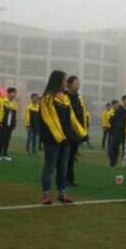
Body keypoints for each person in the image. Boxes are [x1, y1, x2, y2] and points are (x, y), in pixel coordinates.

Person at [39, 70, 87, 205]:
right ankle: (46, 195)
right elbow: (50, 120)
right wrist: (60, 137)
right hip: (52, 139)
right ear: (57, 81)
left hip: (66, 139)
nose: (66, 83)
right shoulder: (47, 98)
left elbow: (72, 118)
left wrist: (83, 133)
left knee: (63, 167)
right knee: (49, 167)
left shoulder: (65, 99)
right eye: (65, 80)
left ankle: (62, 194)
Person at [65, 76, 89, 187]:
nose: (78, 85)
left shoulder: (79, 98)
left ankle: (70, 179)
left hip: (77, 132)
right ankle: (63, 179)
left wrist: (83, 131)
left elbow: (82, 115)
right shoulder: (65, 97)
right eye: (76, 83)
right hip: (67, 132)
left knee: (71, 158)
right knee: (65, 157)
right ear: (69, 84)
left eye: (78, 83)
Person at [0, 87, 18, 161]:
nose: (14, 95)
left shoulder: (15, 103)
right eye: (12, 93)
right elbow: (0, 112)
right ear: (8, 93)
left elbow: (14, 114)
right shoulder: (3, 101)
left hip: (10, 124)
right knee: (1, 139)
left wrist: (14, 123)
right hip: (3, 123)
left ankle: (5, 153)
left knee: (7, 139)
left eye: (15, 93)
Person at [108, 96, 126, 167]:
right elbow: (116, 121)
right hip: (118, 131)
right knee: (114, 147)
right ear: (123, 101)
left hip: (123, 131)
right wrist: (119, 129)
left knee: (120, 147)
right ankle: (113, 162)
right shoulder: (120, 110)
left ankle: (117, 161)